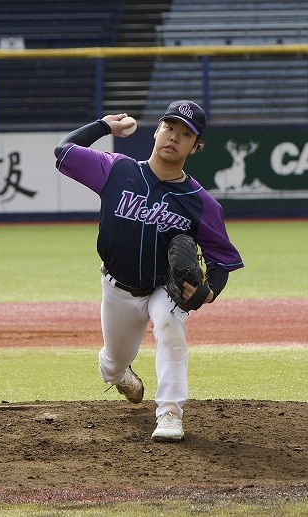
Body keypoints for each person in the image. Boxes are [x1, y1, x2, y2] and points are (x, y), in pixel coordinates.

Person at [53, 100, 244, 442]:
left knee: (170, 324)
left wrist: (209, 291)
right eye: (169, 127)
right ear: (156, 131)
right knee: (113, 365)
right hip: (117, 288)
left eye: (185, 134)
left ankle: (170, 414)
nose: (174, 137)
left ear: (194, 147)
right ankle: (119, 373)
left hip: (163, 288)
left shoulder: (200, 202)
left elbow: (221, 262)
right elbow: (64, 152)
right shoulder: (117, 169)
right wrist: (104, 126)